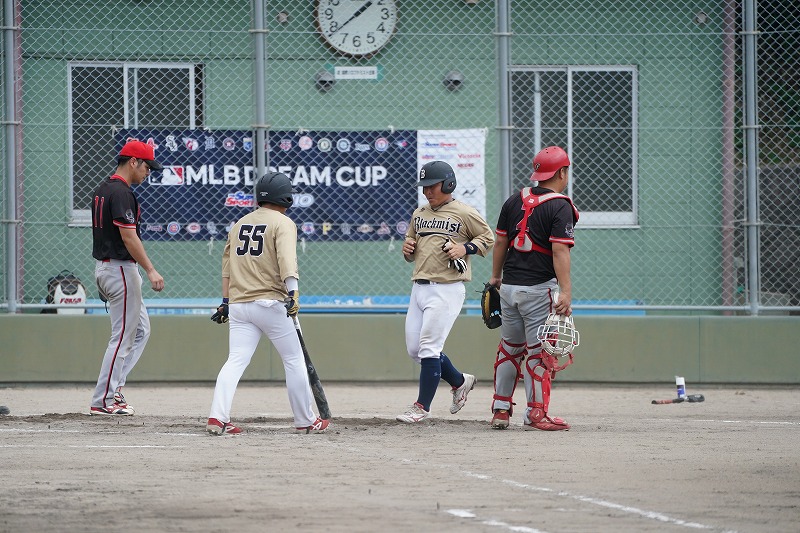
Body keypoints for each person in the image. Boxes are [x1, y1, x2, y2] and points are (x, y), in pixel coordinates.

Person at [206, 172, 329, 435]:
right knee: (294, 359)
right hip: (271, 304)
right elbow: (287, 260)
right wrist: (294, 292)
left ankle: (217, 417)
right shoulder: (283, 222)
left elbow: (226, 267)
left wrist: (225, 302)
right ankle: (305, 420)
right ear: (285, 196)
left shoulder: (239, 223)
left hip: (239, 305)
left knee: (235, 360)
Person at [488, 145, 579, 431]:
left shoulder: (514, 200)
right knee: (540, 353)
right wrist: (566, 292)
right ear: (562, 172)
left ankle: (500, 410)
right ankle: (536, 414)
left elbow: (500, 242)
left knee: (509, 350)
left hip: (509, 288)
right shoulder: (560, 205)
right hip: (539, 290)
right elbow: (560, 251)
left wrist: (495, 277)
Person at [397, 161, 494, 423]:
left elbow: (487, 238)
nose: (427, 191)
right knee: (415, 351)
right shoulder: (419, 214)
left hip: (447, 289)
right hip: (419, 287)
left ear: (448, 184)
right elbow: (411, 248)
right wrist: (407, 250)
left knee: (429, 348)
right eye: (424, 187)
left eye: (433, 186)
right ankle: (460, 381)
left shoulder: (464, 212)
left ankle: (421, 407)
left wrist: (465, 248)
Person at [90, 140, 165, 415]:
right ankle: (103, 400)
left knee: (141, 330)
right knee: (122, 337)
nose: (148, 172)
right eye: (147, 166)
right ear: (133, 161)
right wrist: (151, 269)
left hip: (110, 267)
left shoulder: (103, 188)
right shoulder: (121, 192)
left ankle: (115, 388)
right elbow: (128, 236)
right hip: (119, 269)